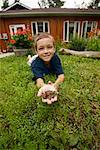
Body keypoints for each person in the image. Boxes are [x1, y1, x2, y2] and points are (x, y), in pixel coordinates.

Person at [28, 33, 64, 104]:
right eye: (41, 48)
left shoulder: (56, 58)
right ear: (36, 51)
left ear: (54, 49)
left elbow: (61, 76)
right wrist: (44, 87)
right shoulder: (35, 64)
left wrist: (54, 86)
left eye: (49, 47)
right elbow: (39, 81)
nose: (46, 51)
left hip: (40, 57)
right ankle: (29, 57)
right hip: (34, 60)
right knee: (30, 61)